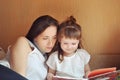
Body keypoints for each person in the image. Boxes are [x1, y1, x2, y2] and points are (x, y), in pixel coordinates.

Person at [7, 15, 59, 80]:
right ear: (35, 37)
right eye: (45, 38)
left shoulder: (49, 57)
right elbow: (18, 77)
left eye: (54, 38)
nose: (51, 43)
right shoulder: (23, 42)